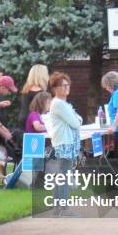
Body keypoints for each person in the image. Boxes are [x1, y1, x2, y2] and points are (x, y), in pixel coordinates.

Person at [48, 72, 82, 216]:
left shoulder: (64, 104)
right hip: (64, 143)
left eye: (68, 85)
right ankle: (64, 208)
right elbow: (76, 122)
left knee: (62, 174)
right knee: (65, 174)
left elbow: (78, 120)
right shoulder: (58, 104)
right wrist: (75, 119)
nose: (67, 88)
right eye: (63, 85)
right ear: (55, 88)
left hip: (67, 142)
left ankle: (57, 208)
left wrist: (76, 119)